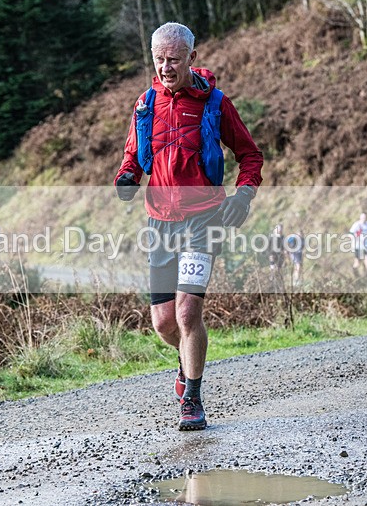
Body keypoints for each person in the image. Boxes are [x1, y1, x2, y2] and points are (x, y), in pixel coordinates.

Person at [114, 22, 263, 431]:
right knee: (162, 322)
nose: (165, 67)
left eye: (173, 60)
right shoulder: (145, 104)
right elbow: (132, 159)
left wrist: (243, 196)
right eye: (159, 60)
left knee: (187, 311)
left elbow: (250, 156)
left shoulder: (215, 103)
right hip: (159, 223)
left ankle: (193, 398)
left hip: (203, 220)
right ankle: (185, 366)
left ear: (192, 59)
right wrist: (126, 179)